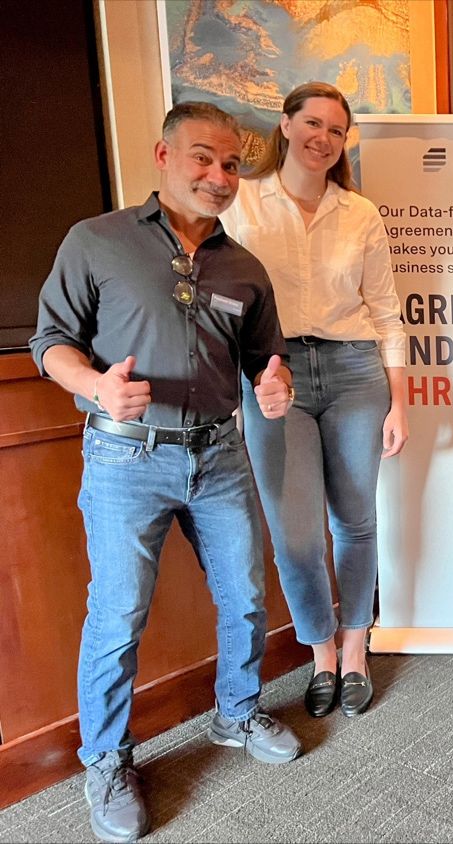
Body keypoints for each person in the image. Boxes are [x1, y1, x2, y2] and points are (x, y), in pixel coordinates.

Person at [29, 102, 302, 844]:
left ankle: (237, 713)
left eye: (231, 165)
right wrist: (96, 386)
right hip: (126, 456)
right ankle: (107, 759)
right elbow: (50, 341)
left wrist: (275, 385)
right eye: (203, 158)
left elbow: (265, 362)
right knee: (118, 614)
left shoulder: (244, 268)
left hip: (220, 455)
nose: (219, 176)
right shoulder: (97, 241)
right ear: (164, 155)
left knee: (246, 598)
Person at [220, 82, 408, 721]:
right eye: (312, 123)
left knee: (355, 520)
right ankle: (320, 653)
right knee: (296, 535)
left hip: (355, 371)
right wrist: (238, 384)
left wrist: (400, 403)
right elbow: (221, 304)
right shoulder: (243, 203)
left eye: (335, 129)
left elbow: (386, 312)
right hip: (274, 376)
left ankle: (354, 650)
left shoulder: (360, 214)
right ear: (285, 125)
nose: (322, 138)